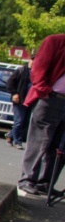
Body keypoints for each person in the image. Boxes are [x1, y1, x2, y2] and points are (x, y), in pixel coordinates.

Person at [17, 34, 65, 197]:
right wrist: (43, 90)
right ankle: (27, 180)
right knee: (40, 140)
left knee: (56, 144)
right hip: (52, 98)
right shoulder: (55, 41)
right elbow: (38, 68)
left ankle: (45, 182)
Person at [4, 60, 32, 149]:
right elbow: (10, 82)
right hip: (19, 100)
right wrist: (14, 93)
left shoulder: (36, 72)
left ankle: (10, 135)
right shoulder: (22, 70)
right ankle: (17, 141)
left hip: (30, 100)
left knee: (25, 122)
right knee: (19, 120)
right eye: (33, 60)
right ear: (30, 60)